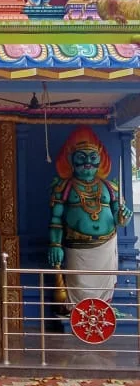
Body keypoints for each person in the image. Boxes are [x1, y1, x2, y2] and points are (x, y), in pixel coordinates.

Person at [48, 127, 132, 305]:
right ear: (72, 160)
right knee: (78, 286)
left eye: (92, 158)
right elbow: (56, 220)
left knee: (105, 283)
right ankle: (78, 314)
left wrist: (124, 217)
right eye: (81, 157)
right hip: (77, 248)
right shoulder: (64, 188)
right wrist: (55, 245)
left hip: (106, 247)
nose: (88, 162)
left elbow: (119, 218)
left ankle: (102, 312)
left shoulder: (110, 187)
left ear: (100, 161)